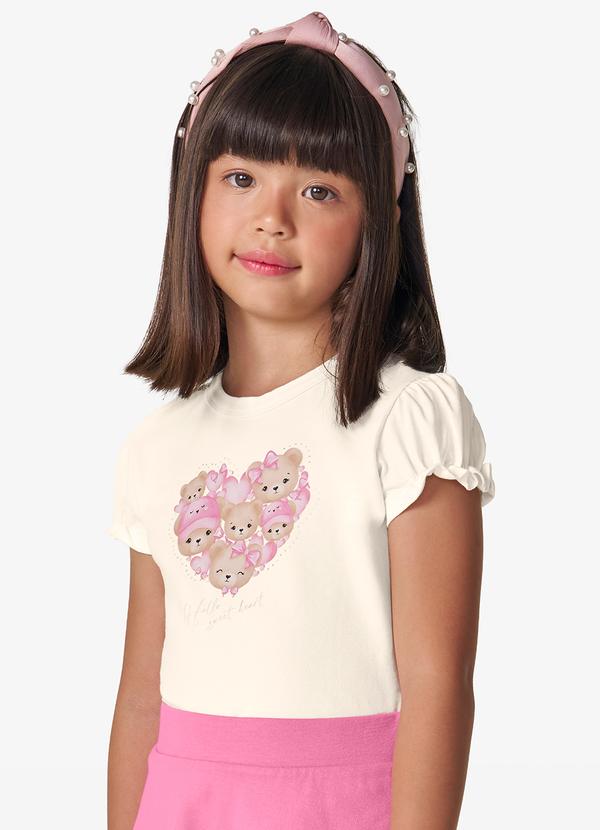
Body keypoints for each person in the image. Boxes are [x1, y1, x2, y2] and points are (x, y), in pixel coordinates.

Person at [106, 10, 496, 830]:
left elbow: (437, 686)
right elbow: (142, 694)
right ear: (191, 191)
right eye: (240, 178)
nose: (272, 217)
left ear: (379, 220)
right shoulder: (157, 446)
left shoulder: (409, 419)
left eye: (319, 190)